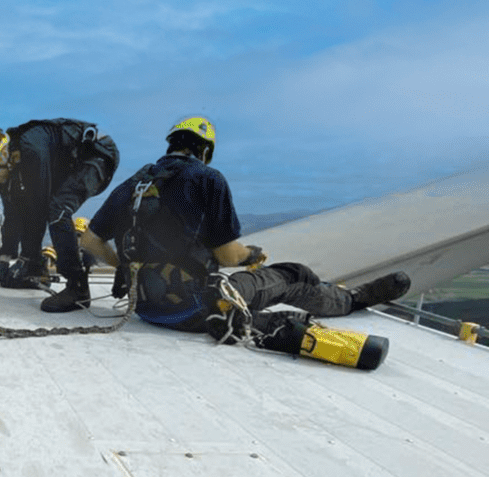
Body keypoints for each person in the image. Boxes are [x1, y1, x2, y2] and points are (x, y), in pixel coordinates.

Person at [79, 116, 412, 369]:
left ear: (170, 146)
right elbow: (227, 256)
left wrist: (124, 265)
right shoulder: (207, 178)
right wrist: (249, 254)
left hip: (146, 310)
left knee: (257, 295)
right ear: (204, 151)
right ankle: (350, 300)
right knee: (292, 276)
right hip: (193, 306)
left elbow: (91, 241)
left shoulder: (135, 184)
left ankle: (309, 314)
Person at [0, 118, 120, 313]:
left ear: (4, 156)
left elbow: (38, 208)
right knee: (30, 203)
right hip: (68, 163)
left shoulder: (32, 149)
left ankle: (77, 287)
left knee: (57, 209)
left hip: (96, 155)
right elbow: (12, 215)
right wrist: (4, 258)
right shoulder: (11, 168)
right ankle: (35, 270)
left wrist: (26, 257)